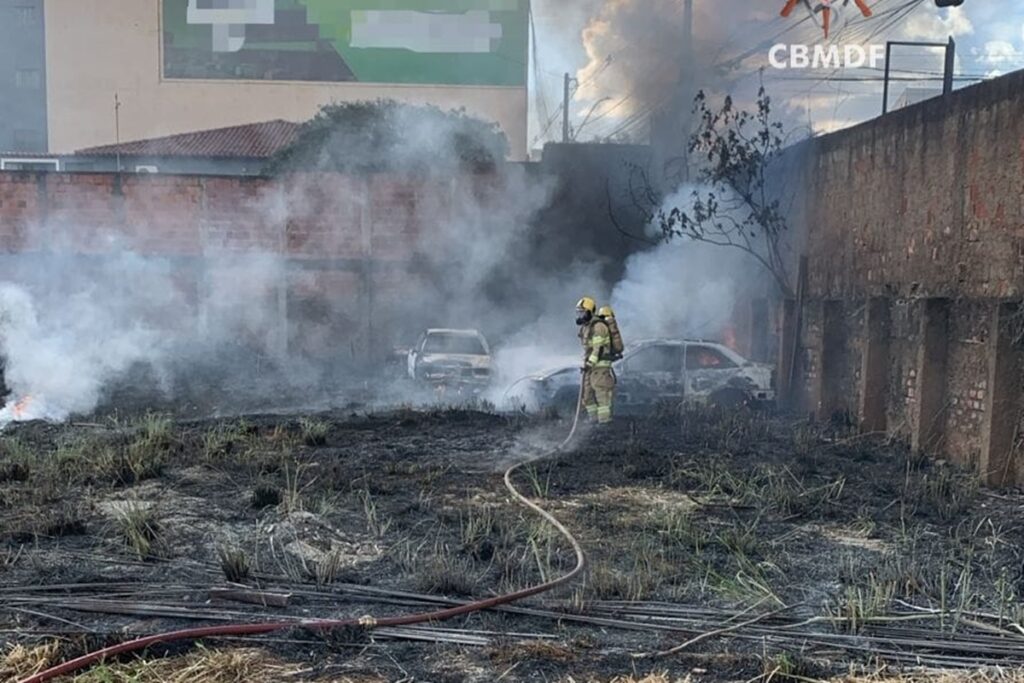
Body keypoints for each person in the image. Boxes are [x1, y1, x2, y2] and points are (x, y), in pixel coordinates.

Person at [575, 296, 616, 425]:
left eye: (582, 312)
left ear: (589, 312)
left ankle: (604, 423)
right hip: (591, 366)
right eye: (579, 312)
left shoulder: (598, 326)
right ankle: (593, 421)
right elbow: (588, 349)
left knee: (601, 395)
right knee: (587, 397)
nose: (580, 315)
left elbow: (597, 349)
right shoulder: (586, 327)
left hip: (600, 366)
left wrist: (589, 363)